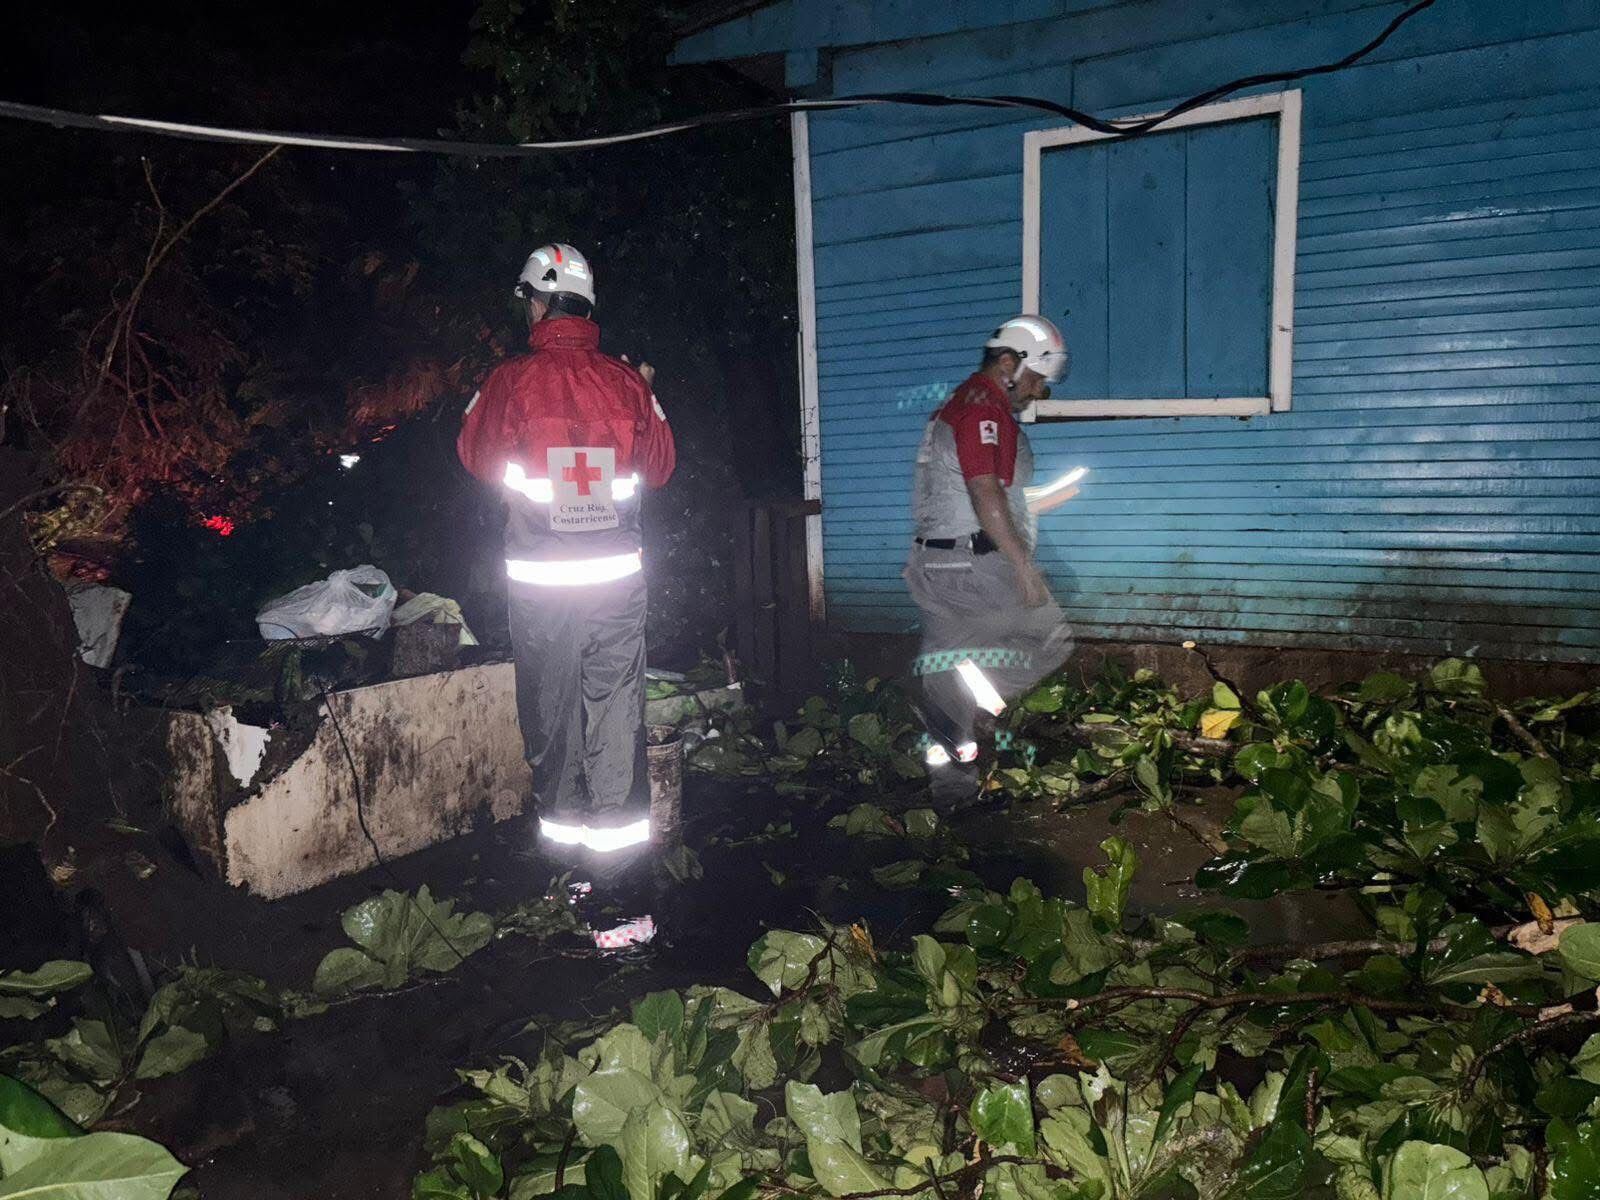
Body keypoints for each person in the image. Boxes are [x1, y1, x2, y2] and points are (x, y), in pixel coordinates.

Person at [457, 242, 675, 897]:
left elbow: (475, 456)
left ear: (540, 299)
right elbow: (661, 469)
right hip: (615, 584)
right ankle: (617, 874)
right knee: (614, 711)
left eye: (527, 299)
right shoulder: (630, 382)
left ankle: (561, 856)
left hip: (543, 585)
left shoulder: (509, 382)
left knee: (551, 711)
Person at [904, 315, 1077, 809]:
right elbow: (983, 491)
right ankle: (972, 695)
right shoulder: (985, 409)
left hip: (937, 558)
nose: (1040, 393)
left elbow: (964, 487)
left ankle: (952, 788)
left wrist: (1037, 502)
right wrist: (1022, 564)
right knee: (1049, 640)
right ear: (1009, 363)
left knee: (945, 668)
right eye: (1038, 378)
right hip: (971, 563)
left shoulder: (956, 405)